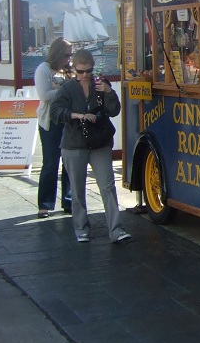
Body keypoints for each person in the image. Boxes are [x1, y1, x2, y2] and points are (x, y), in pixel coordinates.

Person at [50, 49, 131, 244]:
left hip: (99, 142)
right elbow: (55, 111)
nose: (85, 76)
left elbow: (114, 111)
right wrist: (76, 115)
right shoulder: (68, 88)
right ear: (74, 70)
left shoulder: (101, 85)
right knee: (78, 190)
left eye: (88, 71)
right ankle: (81, 228)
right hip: (74, 144)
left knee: (107, 186)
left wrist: (109, 92)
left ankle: (116, 229)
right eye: (80, 72)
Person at [35, 37, 72, 218]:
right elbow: (45, 96)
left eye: (70, 55)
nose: (68, 59)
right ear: (57, 53)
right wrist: (66, 90)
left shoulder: (68, 70)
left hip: (67, 121)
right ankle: (45, 204)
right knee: (50, 163)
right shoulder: (43, 69)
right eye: (66, 55)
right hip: (50, 123)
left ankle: (69, 200)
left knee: (69, 163)